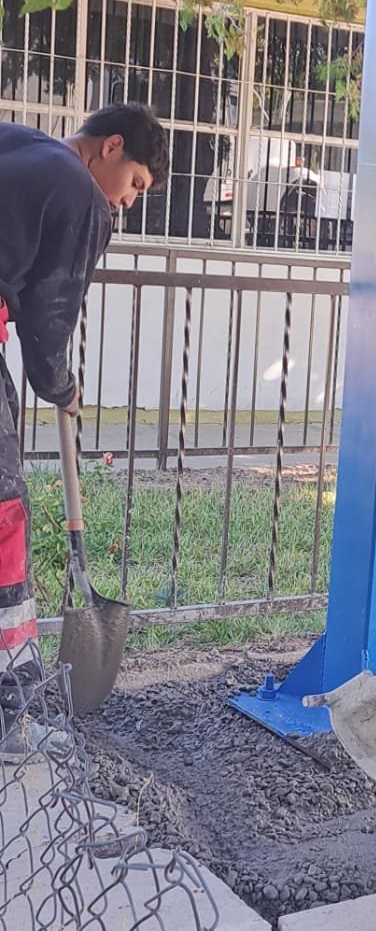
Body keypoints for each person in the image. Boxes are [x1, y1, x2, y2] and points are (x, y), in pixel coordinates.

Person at [0, 104, 169, 753]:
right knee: (4, 518)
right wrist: (62, 387)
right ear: (111, 147)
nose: (126, 201)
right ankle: (10, 715)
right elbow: (49, 317)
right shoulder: (76, 189)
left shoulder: (18, 148)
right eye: (135, 184)